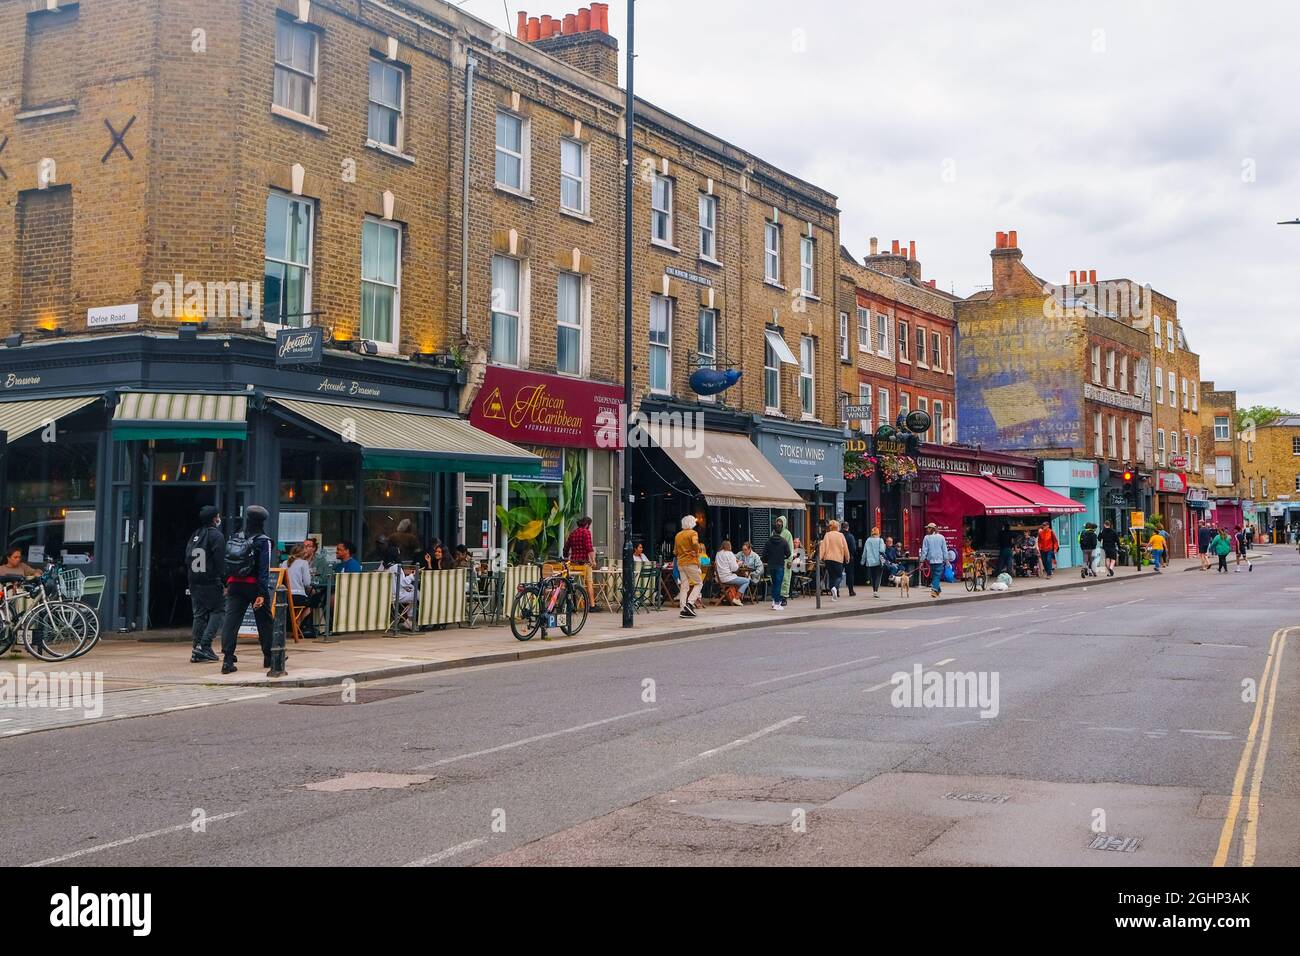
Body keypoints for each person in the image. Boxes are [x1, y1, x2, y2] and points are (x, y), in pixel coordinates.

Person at [220, 506, 281, 677]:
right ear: (263, 521)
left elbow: (228, 562)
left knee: (231, 621)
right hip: (253, 586)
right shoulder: (263, 541)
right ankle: (269, 657)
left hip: (234, 584)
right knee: (264, 621)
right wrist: (262, 593)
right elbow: (264, 570)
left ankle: (227, 659)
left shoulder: (235, 536)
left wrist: (227, 583)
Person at [182, 506, 225, 663]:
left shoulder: (195, 535)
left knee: (199, 614)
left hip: (194, 580)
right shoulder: (217, 536)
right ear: (214, 519)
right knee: (218, 610)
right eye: (218, 516)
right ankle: (205, 645)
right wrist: (224, 581)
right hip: (210, 581)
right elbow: (220, 562)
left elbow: (187, 558)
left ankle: (196, 648)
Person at [378, 546, 416, 629]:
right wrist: (412, 575)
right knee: (417, 594)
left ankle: (407, 621)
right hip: (396, 596)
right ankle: (410, 621)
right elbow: (403, 582)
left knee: (412, 591)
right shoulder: (396, 566)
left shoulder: (383, 565)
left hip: (385, 596)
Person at [674, 515, 704, 618]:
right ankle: (690, 603)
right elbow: (695, 543)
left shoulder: (678, 535)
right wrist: (696, 552)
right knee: (699, 583)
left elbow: (675, 551)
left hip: (681, 563)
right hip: (691, 562)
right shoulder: (693, 533)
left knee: (684, 586)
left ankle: (683, 609)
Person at [761, 528, 791, 611]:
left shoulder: (768, 542)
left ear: (773, 532)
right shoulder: (784, 541)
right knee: (778, 584)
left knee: (774, 584)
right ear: (780, 533)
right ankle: (777, 603)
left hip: (771, 565)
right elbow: (788, 553)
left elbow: (764, 554)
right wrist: (783, 557)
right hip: (780, 565)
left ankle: (774, 601)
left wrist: (768, 560)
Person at [820, 519, 850, 601]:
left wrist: (820, 557)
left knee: (831, 576)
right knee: (839, 576)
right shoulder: (841, 535)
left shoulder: (827, 535)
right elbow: (845, 548)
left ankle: (833, 595)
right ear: (837, 527)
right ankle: (834, 588)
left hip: (828, 559)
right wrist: (847, 558)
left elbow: (823, 547)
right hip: (838, 559)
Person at [714, 539, 748, 605]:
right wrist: (739, 564)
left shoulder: (718, 553)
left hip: (719, 578)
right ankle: (737, 598)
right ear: (729, 546)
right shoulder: (730, 554)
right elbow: (734, 569)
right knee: (746, 581)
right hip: (727, 578)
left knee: (739, 581)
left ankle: (734, 597)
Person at [920, 523, 949, 599]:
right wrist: (946, 560)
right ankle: (936, 590)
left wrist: (922, 561)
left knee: (935, 576)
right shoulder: (941, 537)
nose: (927, 529)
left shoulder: (926, 538)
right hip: (939, 560)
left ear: (932, 529)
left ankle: (935, 590)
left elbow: (924, 550)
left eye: (928, 528)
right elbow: (944, 550)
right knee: (936, 576)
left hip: (932, 560)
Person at [862, 526, 886, 598]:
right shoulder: (880, 540)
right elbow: (882, 550)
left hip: (870, 561)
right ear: (878, 533)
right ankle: (876, 591)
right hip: (878, 561)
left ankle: (874, 590)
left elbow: (864, 552)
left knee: (873, 576)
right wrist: (884, 547)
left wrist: (863, 561)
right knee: (878, 576)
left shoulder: (868, 540)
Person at [775, 516, 794, 606]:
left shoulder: (787, 534)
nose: (778, 523)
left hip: (785, 560)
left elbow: (790, 547)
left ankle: (784, 597)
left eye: (780, 522)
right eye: (777, 521)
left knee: (785, 579)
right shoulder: (774, 533)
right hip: (776, 560)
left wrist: (789, 560)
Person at [841, 523, 858, 595]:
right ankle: (851, 591)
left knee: (838, 574)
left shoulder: (839, 536)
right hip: (849, 557)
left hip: (839, 557)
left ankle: (836, 591)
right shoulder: (850, 536)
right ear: (847, 527)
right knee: (850, 574)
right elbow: (853, 548)